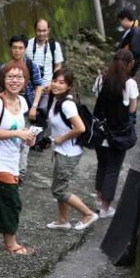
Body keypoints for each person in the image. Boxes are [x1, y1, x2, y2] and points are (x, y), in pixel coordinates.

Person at [0, 60, 37, 255]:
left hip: (14, 158)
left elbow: (18, 129)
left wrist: (27, 137)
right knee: (11, 202)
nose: (15, 80)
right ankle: (11, 244)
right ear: (3, 80)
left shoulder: (22, 102)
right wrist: (17, 134)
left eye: (19, 77)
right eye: (10, 77)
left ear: (25, 80)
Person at [44, 68, 99, 231]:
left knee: (59, 190)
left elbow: (80, 128)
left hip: (69, 153)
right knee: (60, 187)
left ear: (69, 86)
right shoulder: (56, 98)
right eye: (55, 81)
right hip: (61, 151)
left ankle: (88, 214)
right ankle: (63, 220)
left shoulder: (67, 104)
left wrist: (61, 139)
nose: (56, 85)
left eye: (61, 83)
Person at [93, 49, 139, 219]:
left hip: (101, 132)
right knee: (112, 170)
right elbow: (133, 109)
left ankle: (98, 200)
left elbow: (98, 102)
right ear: (130, 63)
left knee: (102, 166)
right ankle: (105, 208)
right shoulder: (130, 84)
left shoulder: (100, 79)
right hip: (118, 135)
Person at [1, 35, 43, 179]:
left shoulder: (31, 66)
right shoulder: (5, 68)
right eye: (14, 48)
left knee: (25, 142)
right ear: (10, 49)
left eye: (20, 48)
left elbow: (39, 87)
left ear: (25, 49)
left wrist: (34, 107)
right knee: (11, 140)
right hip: (10, 110)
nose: (17, 51)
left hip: (27, 110)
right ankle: (11, 171)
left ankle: (20, 173)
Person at [117, 9, 140, 77]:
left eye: (120, 21)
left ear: (125, 19)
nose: (120, 24)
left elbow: (135, 52)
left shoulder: (135, 32)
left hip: (127, 67)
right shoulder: (131, 30)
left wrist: (128, 67)